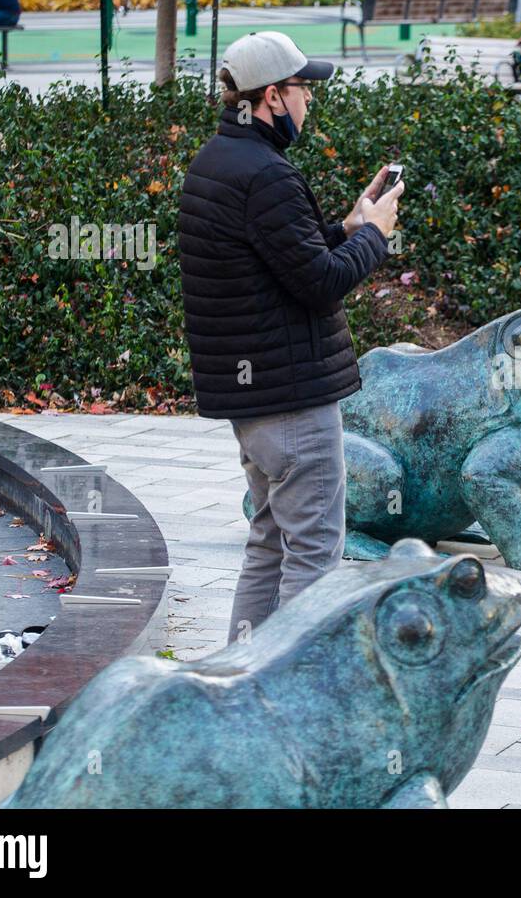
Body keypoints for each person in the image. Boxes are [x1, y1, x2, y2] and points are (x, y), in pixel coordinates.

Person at [178, 32, 404, 645]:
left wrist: (349, 225)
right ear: (272, 96)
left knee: (271, 541)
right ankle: (295, 692)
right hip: (291, 398)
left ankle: (238, 675)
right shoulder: (267, 175)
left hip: (251, 399)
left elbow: (280, 257)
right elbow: (320, 283)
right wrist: (376, 235)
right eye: (304, 89)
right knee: (312, 553)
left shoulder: (218, 162)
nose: (310, 101)